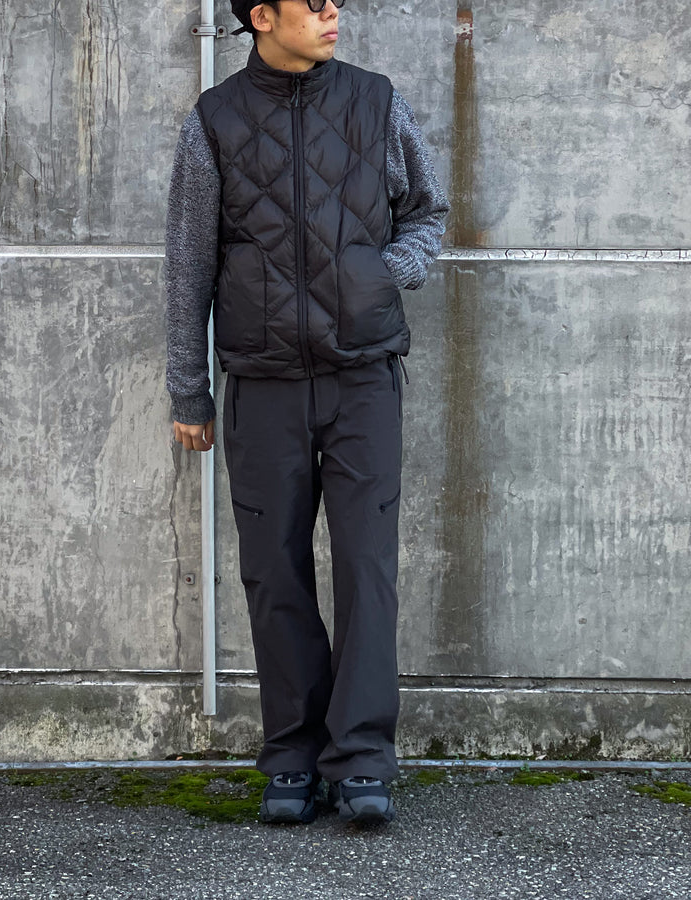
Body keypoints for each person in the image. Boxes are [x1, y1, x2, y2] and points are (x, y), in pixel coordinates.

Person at [165, 0, 449, 825]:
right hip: (263, 384)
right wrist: (190, 389)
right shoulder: (214, 120)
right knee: (274, 573)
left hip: (364, 379)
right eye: (314, 4)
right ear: (262, 15)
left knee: (367, 568)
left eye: (336, 4)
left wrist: (384, 271)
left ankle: (361, 759)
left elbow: (426, 210)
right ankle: (291, 755)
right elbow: (188, 262)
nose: (332, 17)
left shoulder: (375, 101)